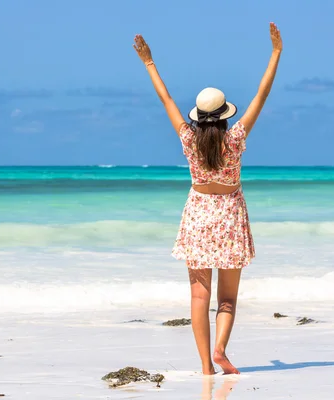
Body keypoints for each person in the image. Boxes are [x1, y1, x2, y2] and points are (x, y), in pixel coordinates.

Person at [133, 22, 282, 375]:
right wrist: (276, 52)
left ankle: (205, 368)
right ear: (226, 116)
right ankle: (220, 349)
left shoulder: (188, 139)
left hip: (199, 215)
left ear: (199, 119)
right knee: (227, 299)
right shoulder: (236, 140)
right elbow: (261, 95)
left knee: (199, 296)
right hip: (230, 214)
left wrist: (149, 62)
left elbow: (166, 99)